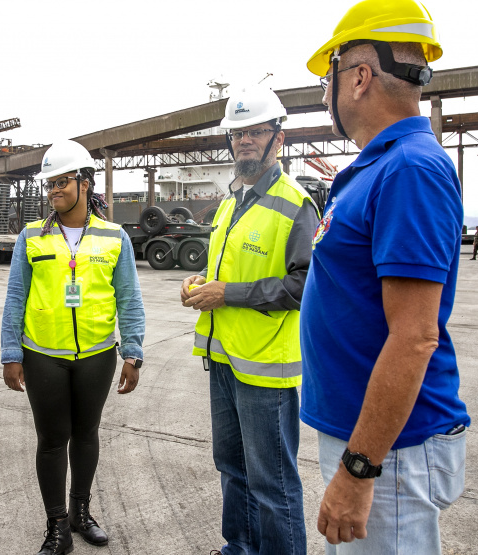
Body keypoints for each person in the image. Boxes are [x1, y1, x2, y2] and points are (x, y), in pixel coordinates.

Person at [302, 1, 470, 553]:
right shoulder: (381, 166)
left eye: (328, 76)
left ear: (358, 77)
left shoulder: (410, 169)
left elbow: (415, 335)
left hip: (389, 451)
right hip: (371, 439)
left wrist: (359, 469)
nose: (325, 94)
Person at [181, 86, 318, 555]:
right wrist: (200, 283)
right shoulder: (230, 202)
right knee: (232, 469)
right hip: (223, 359)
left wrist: (228, 294)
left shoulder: (295, 203)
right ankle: (237, 548)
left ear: (278, 138)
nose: (244, 142)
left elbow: (303, 286)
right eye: (237, 134)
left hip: (264, 368)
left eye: (255, 132)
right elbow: (228, 273)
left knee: (272, 484)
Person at [1, 139, 146, 555]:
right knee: (51, 439)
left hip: (97, 356)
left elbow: (129, 298)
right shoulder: (31, 238)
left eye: (62, 181)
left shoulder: (114, 237)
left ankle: (81, 513)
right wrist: (11, 353)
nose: (53, 191)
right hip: (43, 355)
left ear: (85, 183)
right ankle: (58, 526)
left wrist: (133, 352)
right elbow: (15, 299)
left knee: (86, 434)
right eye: (50, 184)